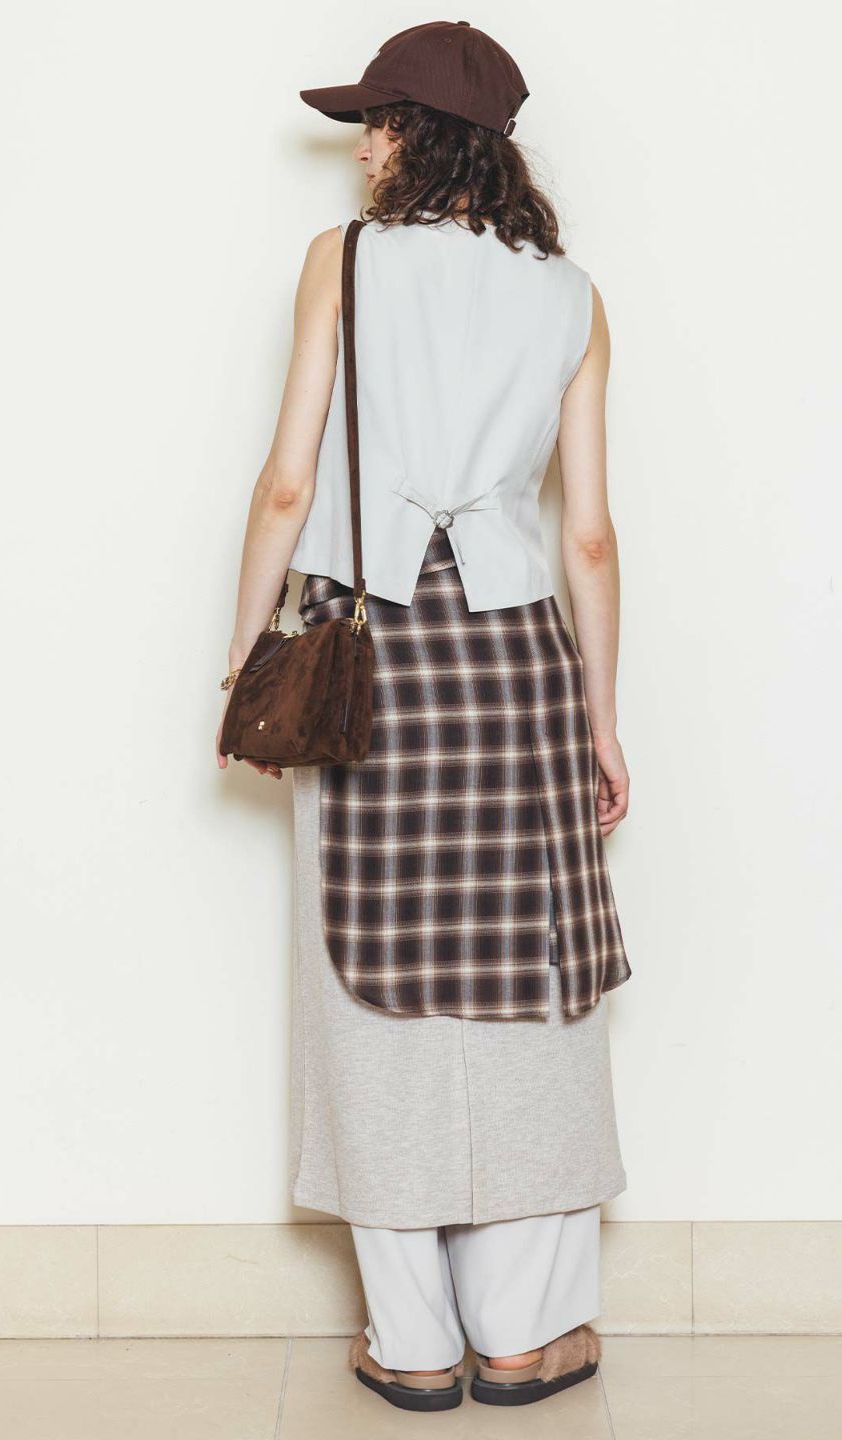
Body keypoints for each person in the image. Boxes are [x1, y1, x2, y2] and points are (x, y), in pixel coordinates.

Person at [217, 20, 633, 1412]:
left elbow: (289, 484)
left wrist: (242, 659)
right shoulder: (572, 295)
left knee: (370, 983)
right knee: (530, 990)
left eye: (375, 121)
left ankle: (411, 1343)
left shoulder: (341, 262)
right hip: (517, 664)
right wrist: (603, 720)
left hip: (366, 657)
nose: (361, 147)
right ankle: (523, 1334)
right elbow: (588, 538)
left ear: (417, 134)